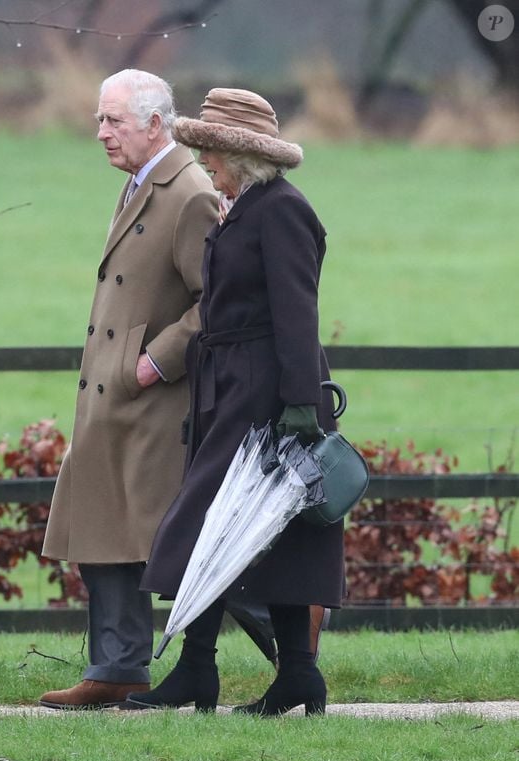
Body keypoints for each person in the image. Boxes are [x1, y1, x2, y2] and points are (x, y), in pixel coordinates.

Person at [122, 88, 345, 717]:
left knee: (233, 526)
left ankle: (237, 672)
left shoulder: (282, 212)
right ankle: (255, 673)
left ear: (240, 155)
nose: (203, 161)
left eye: (211, 151)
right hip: (230, 388)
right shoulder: (243, 208)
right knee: (238, 528)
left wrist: (301, 408)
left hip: (269, 395)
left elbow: (298, 316)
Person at [38, 69, 218, 709]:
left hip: (150, 403)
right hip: (110, 401)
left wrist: (153, 364)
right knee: (103, 531)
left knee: (159, 539)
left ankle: (291, 633)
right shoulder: (140, 183)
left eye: (113, 120)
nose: (101, 133)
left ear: (154, 123)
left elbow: (214, 302)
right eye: (98, 119)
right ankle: (116, 670)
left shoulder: (190, 191)